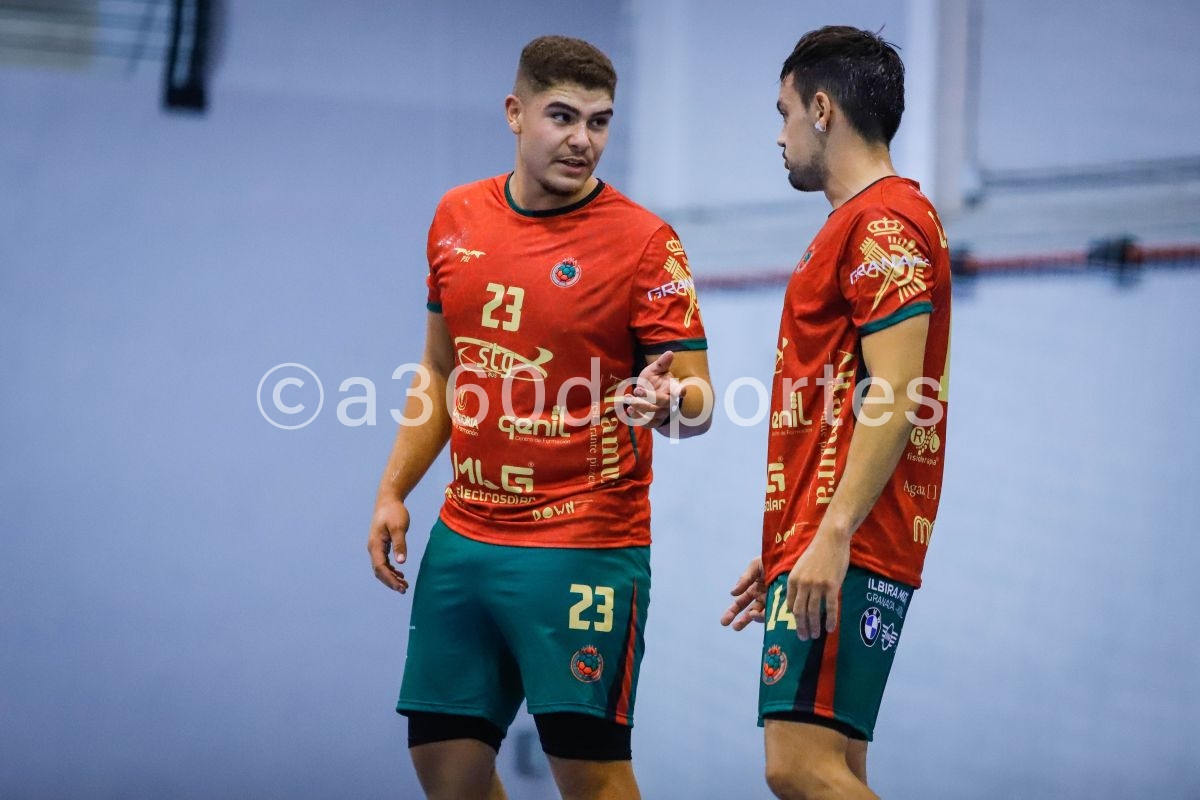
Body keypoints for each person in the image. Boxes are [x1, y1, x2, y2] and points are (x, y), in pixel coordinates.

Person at [368, 35, 713, 800]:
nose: (582, 140)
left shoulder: (646, 244)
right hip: (466, 540)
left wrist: (667, 407)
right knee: (445, 769)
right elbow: (442, 370)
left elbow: (699, 403)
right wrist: (395, 490)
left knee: (589, 777)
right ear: (515, 114)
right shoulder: (456, 216)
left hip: (582, 544)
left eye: (599, 122)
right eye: (563, 116)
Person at [720, 26, 952, 800]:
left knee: (799, 768)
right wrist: (794, 536)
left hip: (851, 539)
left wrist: (830, 533)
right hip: (831, 534)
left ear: (822, 109)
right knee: (840, 768)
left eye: (784, 112)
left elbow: (895, 392)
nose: (778, 133)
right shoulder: (865, 224)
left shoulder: (881, 222)